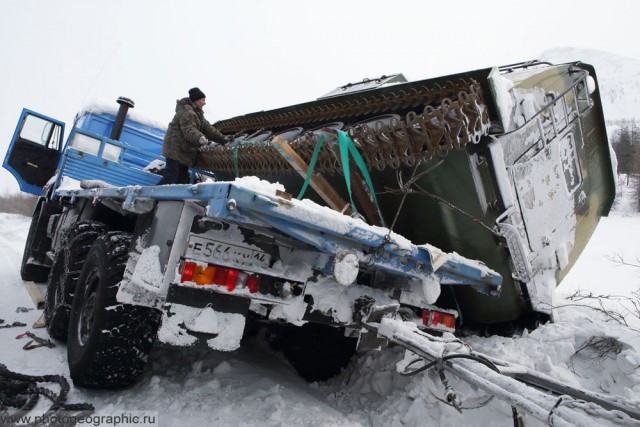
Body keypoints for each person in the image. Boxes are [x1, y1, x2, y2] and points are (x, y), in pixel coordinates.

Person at [158, 87, 228, 185]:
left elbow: (209, 129)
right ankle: (151, 196)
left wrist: (223, 139)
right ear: (196, 100)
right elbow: (189, 130)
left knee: (182, 179)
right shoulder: (187, 112)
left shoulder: (198, 114)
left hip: (183, 150)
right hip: (174, 148)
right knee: (171, 175)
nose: (205, 103)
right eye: (203, 100)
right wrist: (200, 137)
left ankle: (174, 199)